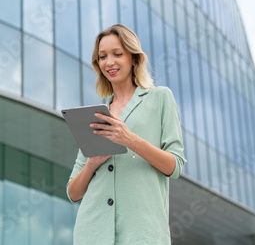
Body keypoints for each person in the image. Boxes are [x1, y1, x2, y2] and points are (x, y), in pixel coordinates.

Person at [66, 24, 186, 244]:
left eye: (117, 54)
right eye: (102, 57)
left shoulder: (160, 98)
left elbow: (175, 166)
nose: (109, 62)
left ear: (134, 59)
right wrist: (92, 164)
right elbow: (73, 192)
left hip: (142, 232)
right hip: (92, 233)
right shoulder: (97, 116)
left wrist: (130, 140)